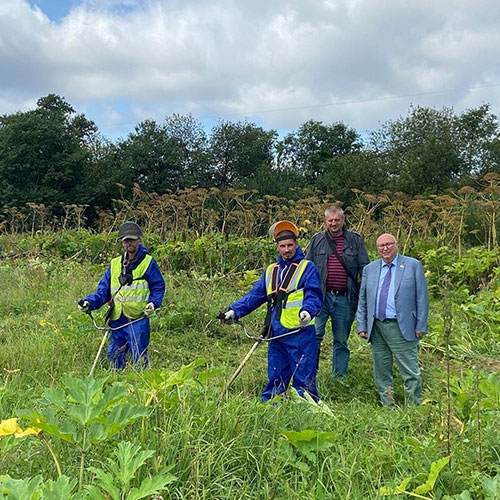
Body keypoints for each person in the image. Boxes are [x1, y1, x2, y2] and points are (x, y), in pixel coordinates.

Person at [223, 221, 323, 402]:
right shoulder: (271, 271)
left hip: (300, 332)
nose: (287, 250)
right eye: (283, 246)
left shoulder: (307, 268)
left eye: (290, 245)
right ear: (277, 247)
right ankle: (272, 406)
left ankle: (307, 408)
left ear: (296, 245)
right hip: (276, 333)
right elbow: (254, 296)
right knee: (276, 374)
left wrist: (308, 312)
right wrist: (233, 311)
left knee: (304, 376)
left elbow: (314, 294)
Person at [78, 221, 165, 369]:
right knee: (114, 355)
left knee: (139, 356)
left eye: (132, 239)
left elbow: (158, 286)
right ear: (122, 242)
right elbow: (103, 291)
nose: (129, 243)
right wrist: (89, 303)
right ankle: (116, 384)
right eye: (125, 240)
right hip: (117, 318)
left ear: (139, 240)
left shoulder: (148, 263)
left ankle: (142, 387)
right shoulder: (114, 264)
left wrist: (153, 303)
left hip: (137, 317)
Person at [357, 233, 429, 406]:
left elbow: (422, 298)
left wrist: (421, 325)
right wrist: (362, 325)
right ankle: (388, 406)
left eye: (389, 244)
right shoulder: (370, 269)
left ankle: (414, 407)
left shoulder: (412, 265)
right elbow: (363, 299)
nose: (385, 248)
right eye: (381, 245)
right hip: (377, 327)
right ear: (377, 248)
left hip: (402, 326)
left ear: (396, 245)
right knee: (381, 371)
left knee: (409, 370)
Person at [306, 206, 369, 376]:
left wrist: (366, 295)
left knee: (341, 340)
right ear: (325, 221)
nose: (333, 223)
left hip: (345, 298)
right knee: (314, 336)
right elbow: (307, 268)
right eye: (330, 220)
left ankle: (339, 377)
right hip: (320, 297)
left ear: (343, 220)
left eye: (337, 220)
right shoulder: (317, 240)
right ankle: (309, 373)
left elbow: (365, 268)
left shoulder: (355, 240)